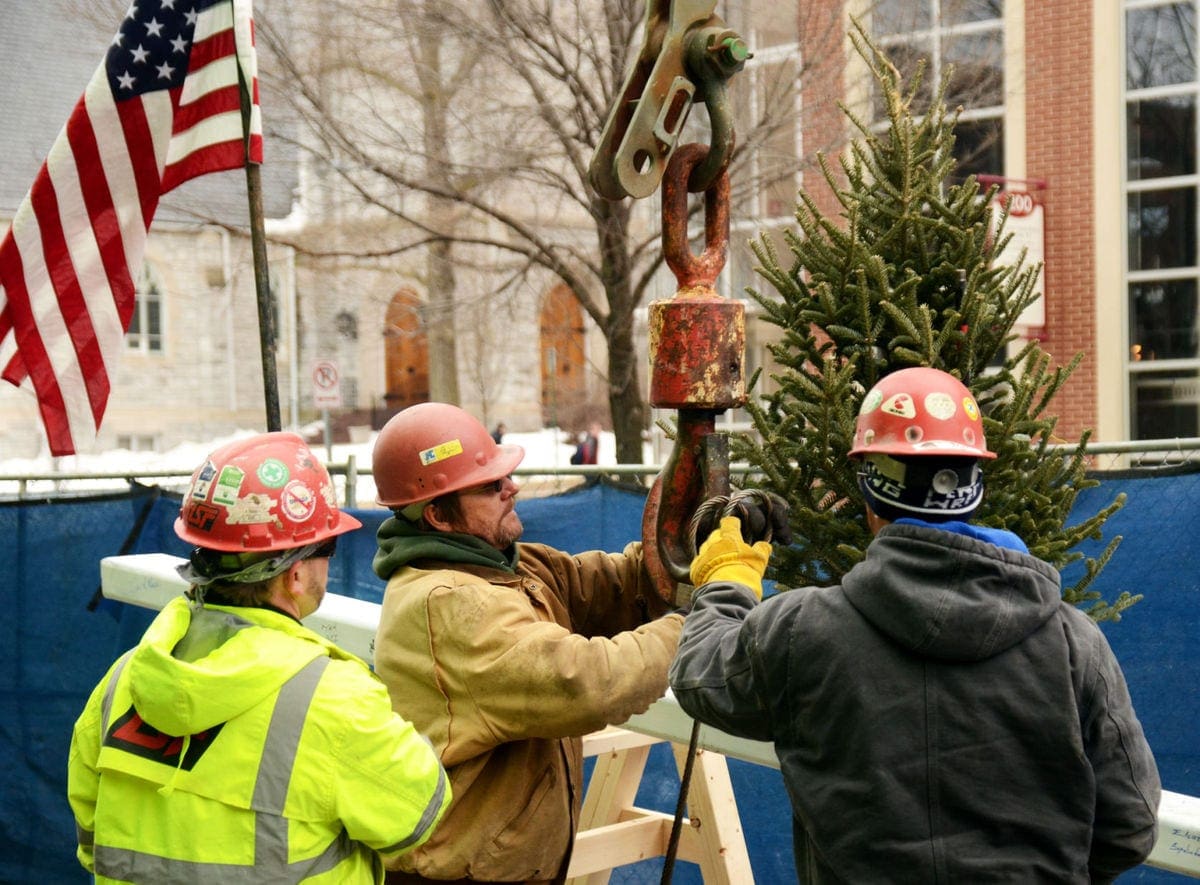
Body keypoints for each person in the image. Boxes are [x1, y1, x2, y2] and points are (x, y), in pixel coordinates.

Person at [669, 367, 1162, 883]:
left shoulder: (802, 631)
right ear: (975, 482)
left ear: (869, 489)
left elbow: (698, 675)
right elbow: (1130, 825)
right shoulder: (1072, 642)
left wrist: (728, 577)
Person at [68, 432, 451, 883]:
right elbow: (416, 816)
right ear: (294, 574)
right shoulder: (334, 700)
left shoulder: (124, 680)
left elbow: (93, 839)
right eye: (326, 547)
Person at [370, 402, 683, 884]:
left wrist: (691, 536)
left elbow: (617, 585)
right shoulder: (449, 604)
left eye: (505, 477)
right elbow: (589, 682)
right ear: (438, 515)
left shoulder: (507, 566)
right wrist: (696, 623)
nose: (511, 489)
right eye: (492, 486)